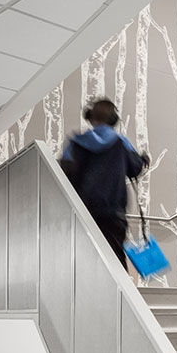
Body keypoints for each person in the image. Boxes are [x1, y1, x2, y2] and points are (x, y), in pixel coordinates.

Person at [61, 98, 150, 269]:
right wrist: (144, 159)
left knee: (83, 259)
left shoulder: (75, 143)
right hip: (112, 213)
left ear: (90, 118)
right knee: (115, 258)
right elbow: (135, 169)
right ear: (113, 119)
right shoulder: (120, 142)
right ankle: (120, 295)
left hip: (81, 211)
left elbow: (64, 173)